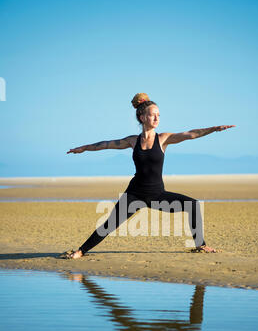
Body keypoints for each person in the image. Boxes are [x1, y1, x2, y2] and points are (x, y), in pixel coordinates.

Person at [59, 92, 235, 259]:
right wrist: (83, 148)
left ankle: (201, 245)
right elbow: (105, 144)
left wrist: (213, 129)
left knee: (193, 205)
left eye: (159, 114)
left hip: (158, 195)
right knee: (109, 224)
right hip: (134, 194)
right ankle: (81, 251)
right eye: (153, 115)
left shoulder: (164, 139)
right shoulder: (132, 141)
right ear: (142, 118)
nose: (157, 118)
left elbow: (191, 134)